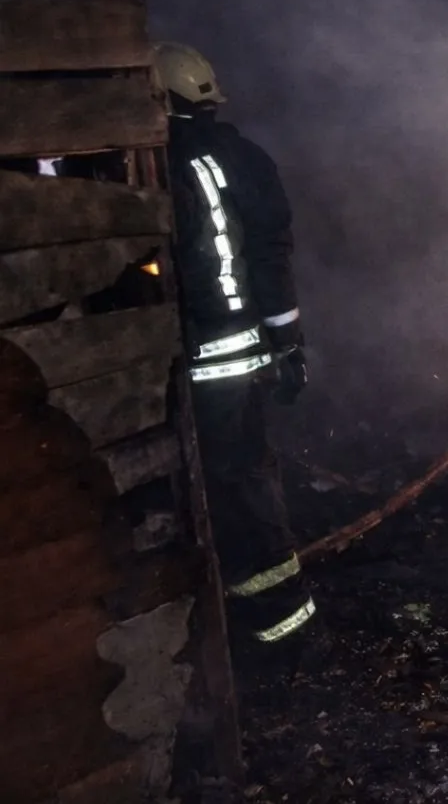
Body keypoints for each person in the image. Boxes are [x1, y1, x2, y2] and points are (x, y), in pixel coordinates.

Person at [155, 42, 317, 652]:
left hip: (203, 361)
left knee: (227, 489)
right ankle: (281, 618)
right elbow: (272, 257)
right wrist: (288, 345)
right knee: (249, 479)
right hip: (248, 354)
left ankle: (271, 628)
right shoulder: (246, 156)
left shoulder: (161, 166)